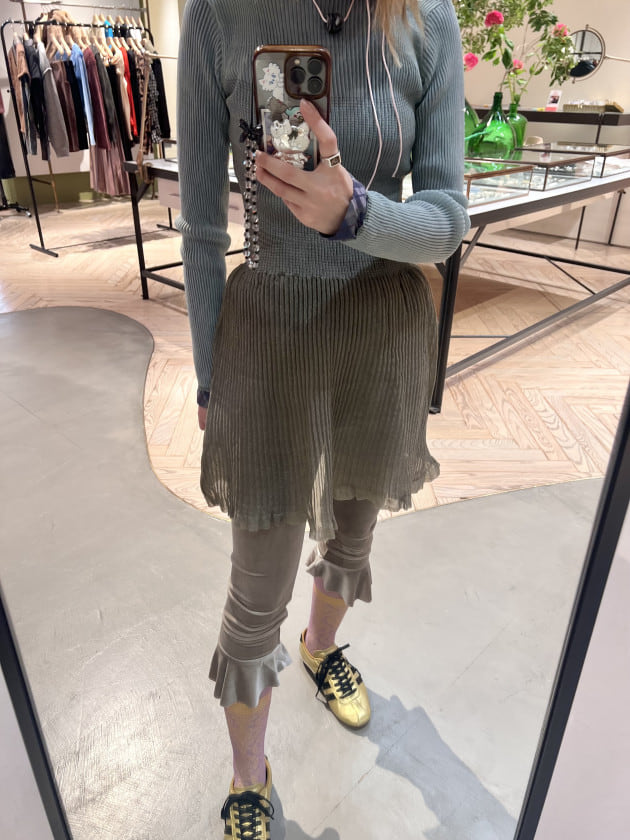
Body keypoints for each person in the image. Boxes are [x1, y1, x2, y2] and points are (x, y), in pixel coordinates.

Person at [176, 0, 469, 836]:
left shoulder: (426, 19)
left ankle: (320, 647)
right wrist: (210, 377)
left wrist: (357, 214)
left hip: (379, 327)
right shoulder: (217, 15)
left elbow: (447, 221)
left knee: (352, 534)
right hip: (267, 333)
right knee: (255, 589)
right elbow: (201, 227)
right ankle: (249, 775)